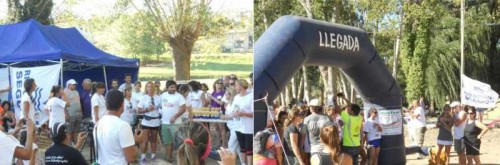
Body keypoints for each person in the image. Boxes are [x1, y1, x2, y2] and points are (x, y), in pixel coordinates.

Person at [94, 89, 142, 164]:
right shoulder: (123, 126)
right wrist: (137, 141)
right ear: (122, 105)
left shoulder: (98, 124)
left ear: (106, 104)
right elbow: (131, 158)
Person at [160, 80, 187, 162]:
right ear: (167, 88)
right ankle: (169, 158)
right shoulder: (163, 95)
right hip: (165, 123)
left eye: (174, 87)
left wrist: (174, 117)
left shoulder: (179, 96)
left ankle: (181, 159)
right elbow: (160, 106)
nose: (173, 89)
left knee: (179, 143)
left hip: (176, 124)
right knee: (168, 142)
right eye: (171, 87)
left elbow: (183, 108)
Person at [137, 81, 161, 164]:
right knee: (145, 140)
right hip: (146, 121)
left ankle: (153, 155)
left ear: (154, 88)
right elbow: (138, 110)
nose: (150, 88)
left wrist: (157, 108)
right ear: (146, 88)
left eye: (151, 86)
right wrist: (147, 109)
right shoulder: (143, 98)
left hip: (155, 121)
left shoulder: (158, 98)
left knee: (154, 139)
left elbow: (162, 109)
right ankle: (143, 156)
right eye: (148, 87)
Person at [221, 87, 245, 165]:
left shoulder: (236, 103)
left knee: (231, 146)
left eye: (226, 93)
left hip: (236, 127)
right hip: (231, 127)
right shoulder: (229, 103)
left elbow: (236, 115)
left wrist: (226, 117)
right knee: (238, 148)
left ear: (230, 94)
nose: (225, 95)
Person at [338, 95, 363, 165]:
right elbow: (351, 105)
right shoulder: (359, 117)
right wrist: (344, 98)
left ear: (352, 111)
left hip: (348, 146)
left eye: (350, 109)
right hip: (357, 145)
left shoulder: (348, 118)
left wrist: (334, 100)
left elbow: (338, 109)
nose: (349, 109)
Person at [234, 79, 254, 165]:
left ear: (241, 86)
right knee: (242, 147)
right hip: (238, 125)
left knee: (249, 148)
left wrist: (243, 114)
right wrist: (235, 113)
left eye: (236, 85)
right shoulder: (236, 97)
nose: (235, 87)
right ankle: (243, 163)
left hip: (248, 127)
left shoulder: (250, 97)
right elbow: (235, 109)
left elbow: (254, 114)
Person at [209, 79, 227, 148]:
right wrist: (209, 99)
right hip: (213, 112)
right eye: (218, 83)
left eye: (221, 83)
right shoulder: (213, 92)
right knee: (216, 128)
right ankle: (219, 142)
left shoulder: (223, 93)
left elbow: (221, 103)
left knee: (222, 129)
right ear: (215, 84)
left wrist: (212, 98)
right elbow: (211, 103)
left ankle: (224, 144)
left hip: (220, 112)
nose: (219, 84)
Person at [64, 79, 83, 144]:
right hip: (70, 115)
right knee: (69, 131)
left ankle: (76, 144)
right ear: (69, 85)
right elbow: (63, 104)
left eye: (75, 84)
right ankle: (69, 145)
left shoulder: (76, 92)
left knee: (76, 130)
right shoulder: (65, 92)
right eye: (73, 84)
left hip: (78, 114)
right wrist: (66, 114)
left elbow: (79, 102)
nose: (75, 86)